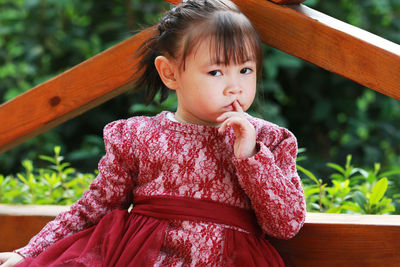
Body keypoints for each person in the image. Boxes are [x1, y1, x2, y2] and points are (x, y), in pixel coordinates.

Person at [0, 0, 306, 266]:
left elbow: (286, 224)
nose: (234, 85)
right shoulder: (139, 137)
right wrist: (30, 252)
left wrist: (250, 155)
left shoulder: (269, 141)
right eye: (216, 71)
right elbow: (92, 209)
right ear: (169, 73)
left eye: (246, 70)